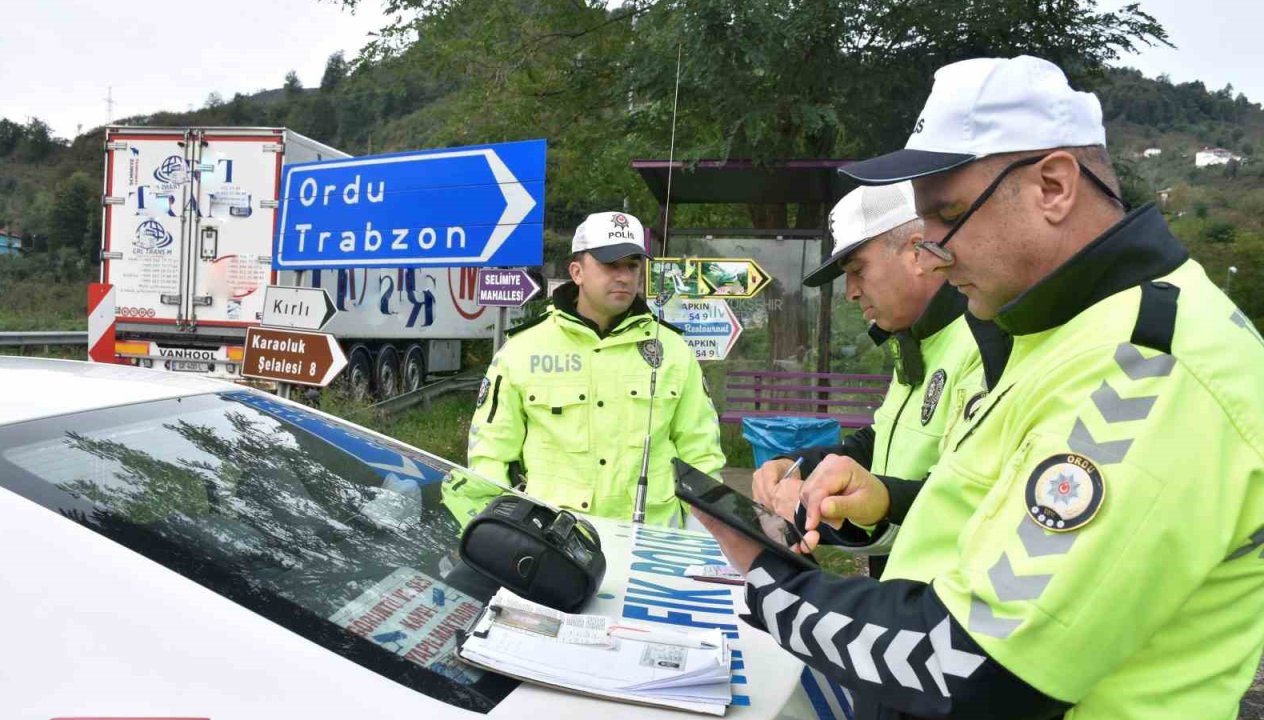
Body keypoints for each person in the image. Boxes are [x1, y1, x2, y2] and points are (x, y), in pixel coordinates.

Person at [696, 56, 1264, 719]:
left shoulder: (1150, 367)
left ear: (1053, 186)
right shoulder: (1053, 332)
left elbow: (976, 662)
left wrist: (769, 584)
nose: (930, 250)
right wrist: (879, 502)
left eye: (947, 216)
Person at [751, 182, 1009, 579]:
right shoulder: (913, 341)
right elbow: (880, 439)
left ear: (917, 251)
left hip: (949, 602)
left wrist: (883, 499)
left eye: (858, 270)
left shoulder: (988, 341)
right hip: (900, 591)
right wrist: (798, 467)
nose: (851, 292)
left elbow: (976, 495)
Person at [461, 211, 725, 528]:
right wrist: (496, 535)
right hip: (554, 543)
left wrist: (704, 541)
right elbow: (489, 455)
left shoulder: (673, 350)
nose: (624, 276)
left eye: (632, 265)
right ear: (577, 272)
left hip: (653, 543)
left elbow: (702, 456)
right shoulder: (521, 350)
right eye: (610, 264)